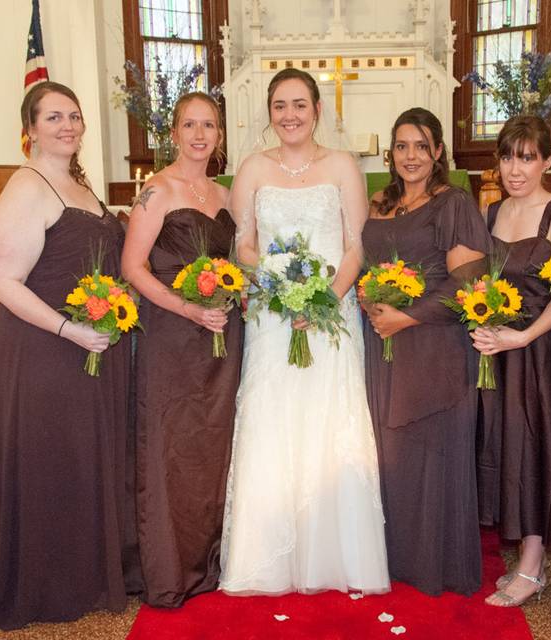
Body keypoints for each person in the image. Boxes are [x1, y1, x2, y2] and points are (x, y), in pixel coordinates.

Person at [220, 68, 390, 595]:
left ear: (317, 109)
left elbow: (356, 244)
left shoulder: (342, 165)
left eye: (299, 104)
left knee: (327, 417)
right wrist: (274, 285)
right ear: (268, 113)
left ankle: (335, 553)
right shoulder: (251, 168)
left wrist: (324, 299)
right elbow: (243, 244)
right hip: (272, 315)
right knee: (273, 418)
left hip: (330, 313)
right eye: (279, 106)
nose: (289, 115)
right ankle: (267, 555)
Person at [0, 81, 140, 629]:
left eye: (74, 116)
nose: (67, 125)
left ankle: (88, 573)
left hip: (86, 345)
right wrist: (70, 329)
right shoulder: (26, 187)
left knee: (81, 460)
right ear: (29, 129)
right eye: (53, 117)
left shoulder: (79, 185)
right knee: (51, 462)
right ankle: (47, 583)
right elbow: (4, 281)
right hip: (44, 349)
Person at [361, 107, 491, 596]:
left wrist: (406, 316)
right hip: (385, 344)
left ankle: (437, 562)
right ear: (390, 154)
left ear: (438, 151)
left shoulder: (453, 202)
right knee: (392, 452)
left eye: (420, 145)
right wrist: (369, 296)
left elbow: (469, 284)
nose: (410, 156)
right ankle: (396, 559)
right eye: (401, 146)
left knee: (430, 450)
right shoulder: (379, 202)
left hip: (432, 342)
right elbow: (368, 265)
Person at [121, 92, 242, 607]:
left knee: (213, 445)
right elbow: (132, 267)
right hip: (172, 333)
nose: (199, 134)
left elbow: (238, 260)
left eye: (208, 125)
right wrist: (186, 309)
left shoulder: (226, 194)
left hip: (220, 335)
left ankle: (209, 562)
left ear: (219, 135)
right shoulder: (157, 190)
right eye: (189, 124)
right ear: (173, 132)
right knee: (172, 443)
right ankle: (170, 570)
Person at [470, 115, 551, 607]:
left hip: (537, 354)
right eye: (509, 156)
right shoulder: (490, 212)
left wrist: (525, 336)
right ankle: (520, 556)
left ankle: (533, 568)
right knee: (506, 447)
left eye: (528, 157)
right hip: (499, 351)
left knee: (536, 451)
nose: (517, 169)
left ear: (547, 160)